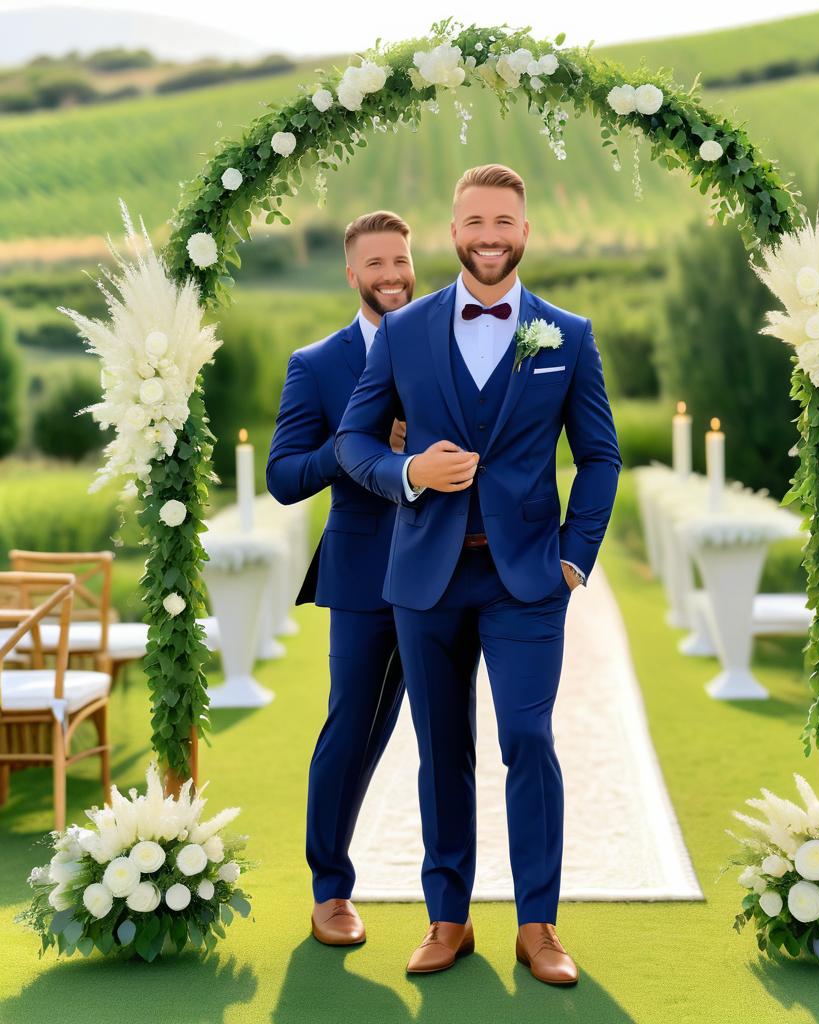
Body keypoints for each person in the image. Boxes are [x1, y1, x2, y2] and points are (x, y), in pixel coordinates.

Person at [335, 164, 621, 985]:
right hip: (426, 579)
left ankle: (539, 926)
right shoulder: (403, 332)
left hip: (527, 579)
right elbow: (356, 442)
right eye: (474, 222)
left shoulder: (568, 335)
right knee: (442, 749)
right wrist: (411, 473)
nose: (489, 235)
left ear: (525, 232)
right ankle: (449, 918)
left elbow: (599, 457)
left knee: (528, 739)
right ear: (453, 231)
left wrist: (575, 555)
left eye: (504, 221)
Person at [266, 210, 415, 947]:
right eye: (376, 264)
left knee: (443, 740)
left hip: (451, 574)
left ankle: (447, 910)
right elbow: (284, 477)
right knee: (351, 730)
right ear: (351, 274)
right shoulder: (316, 365)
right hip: (362, 576)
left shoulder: (451, 340)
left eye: (400, 260)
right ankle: (330, 887)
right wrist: (348, 445)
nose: (391, 275)